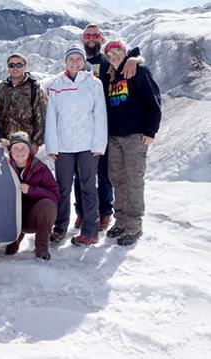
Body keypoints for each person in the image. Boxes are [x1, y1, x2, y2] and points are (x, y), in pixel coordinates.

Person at [73, 24, 144, 231]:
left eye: (96, 35)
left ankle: (105, 213)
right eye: (88, 35)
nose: (92, 38)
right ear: (83, 39)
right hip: (82, 127)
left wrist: (134, 58)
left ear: (101, 38)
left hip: (105, 126)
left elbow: (129, 58)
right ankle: (82, 211)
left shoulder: (108, 62)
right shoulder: (78, 62)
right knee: (81, 172)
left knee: (105, 173)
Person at [45, 44, 108, 246]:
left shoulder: (93, 83)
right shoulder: (56, 84)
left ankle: (90, 231)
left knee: (88, 187)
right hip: (63, 146)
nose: (74, 63)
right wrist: (52, 147)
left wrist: (99, 144)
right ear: (65, 62)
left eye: (78, 59)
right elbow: (51, 118)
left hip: (87, 145)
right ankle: (60, 227)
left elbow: (100, 116)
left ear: (84, 62)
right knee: (62, 188)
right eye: (70, 59)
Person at [103, 39, 161, 246]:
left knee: (134, 180)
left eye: (118, 52)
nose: (115, 55)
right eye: (111, 53)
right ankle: (120, 221)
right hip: (114, 137)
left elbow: (154, 101)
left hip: (135, 137)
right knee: (117, 179)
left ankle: (134, 225)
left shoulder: (138, 71)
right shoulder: (110, 75)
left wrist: (150, 131)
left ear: (124, 53)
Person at [5, 132, 59, 260]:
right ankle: (13, 240)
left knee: (48, 206)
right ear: (10, 150)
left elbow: (55, 196)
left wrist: (32, 190)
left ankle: (41, 248)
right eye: (15, 148)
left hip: (31, 217)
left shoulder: (40, 168)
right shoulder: (3, 166)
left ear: (29, 149)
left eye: (23, 147)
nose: (19, 151)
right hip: (11, 218)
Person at [0, 53, 48, 154]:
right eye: (11, 65)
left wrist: (36, 142)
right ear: (8, 68)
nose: (15, 68)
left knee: (27, 169)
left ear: (25, 66)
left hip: (27, 142)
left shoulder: (34, 88)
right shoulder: (2, 88)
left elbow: (41, 117)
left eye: (19, 65)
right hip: (7, 143)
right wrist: (0, 137)